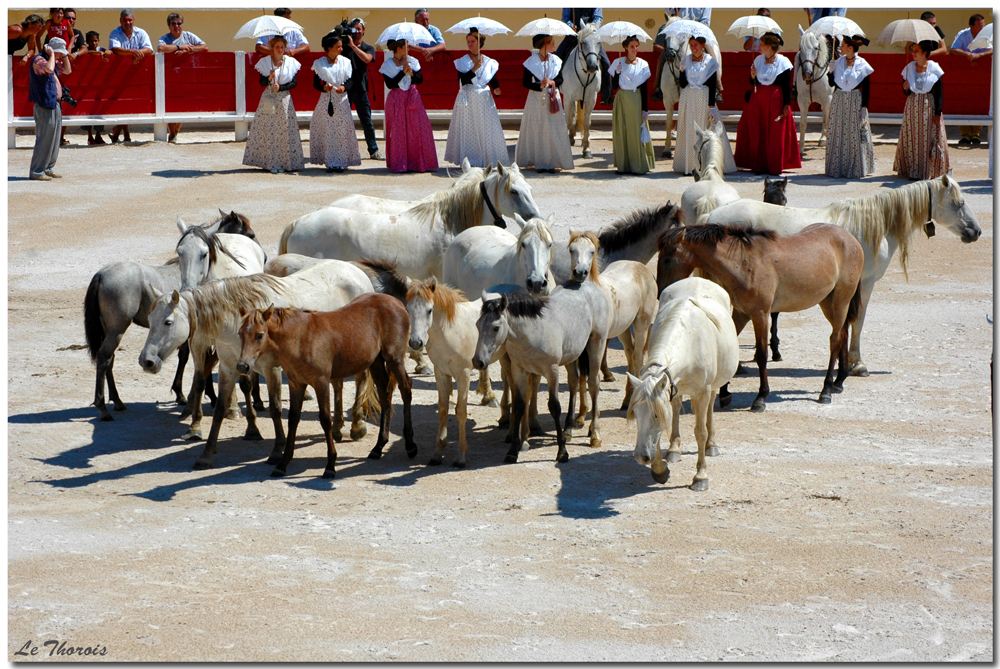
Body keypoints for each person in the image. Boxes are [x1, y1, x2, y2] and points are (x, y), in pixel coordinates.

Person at [734, 31, 801, 175]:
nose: (759, 46)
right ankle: (758, 165)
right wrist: (752, 76)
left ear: (770, 46)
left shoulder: (783, 62)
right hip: (758, 101)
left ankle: (774, 165)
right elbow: (753, 83)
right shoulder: (758, 60)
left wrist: (786, 105)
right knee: (757, 131)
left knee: (774, 134)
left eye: (762, 45)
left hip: (776, 101)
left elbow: (785, 86)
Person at [444, 28, 509, 168]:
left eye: (473, 41)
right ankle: (470, 159)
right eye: (468, 41)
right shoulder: (462, 61)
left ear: (480, 43)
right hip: (468, 100)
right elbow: (462, 81)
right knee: (469, 129)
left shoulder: (489, 62)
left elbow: (493, 80)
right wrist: (474, 68)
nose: (470, 44)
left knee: (485, 129)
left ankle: (487, 158)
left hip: (484, 100)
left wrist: (497, 89)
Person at [242, 34, 304, 174]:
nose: (280, 49)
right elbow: (262, 82)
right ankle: (270, 162)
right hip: (269, 97)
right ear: (272, 48)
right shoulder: (265, 62)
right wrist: (269, 78)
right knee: (269, 130)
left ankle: (285, 162)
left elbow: (294, 83)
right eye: (277, 47)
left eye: (282, 47)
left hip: (284, 99)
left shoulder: (291, 62)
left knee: (284, 130)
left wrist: (280, 88)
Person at [675, 35, 735, 174]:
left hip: (703, 98)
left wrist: (711, 106)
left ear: (702, 45)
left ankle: (710, 163)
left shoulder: (709, 61)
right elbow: (683, 85)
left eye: (696, 45)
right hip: (689, 98)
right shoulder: (686, 61)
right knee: (690, 129)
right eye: (691, 45)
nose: (693, 48)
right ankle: (689, 165)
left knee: (705, 130)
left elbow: (711, 84)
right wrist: (682, 71)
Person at [515, 33, 574, 173]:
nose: (555, 45)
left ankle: (552, 162)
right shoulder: (531, 62)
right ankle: (540, 162)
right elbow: (525, 83)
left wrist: (551, 82)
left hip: (553, 98)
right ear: (545, 44)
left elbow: (560, 80)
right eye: (552, 42)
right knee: (538, 129)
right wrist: (539, 86)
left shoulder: (556, 60)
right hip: (536, 100)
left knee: (553, 129)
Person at [893, 40, 949, 180]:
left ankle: (928, 170)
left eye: (916, 50)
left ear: (925, 53)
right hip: (912, 107)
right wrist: (905, 88)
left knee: (928, 138)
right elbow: (906, 93)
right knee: (912, 138)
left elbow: (939, 93)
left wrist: (937, 113)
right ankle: (913, 170)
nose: (913, 53)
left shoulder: (935, 68)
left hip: (928, 107)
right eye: (913, 50)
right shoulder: (909, 68)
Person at [380, 38, 438, 173]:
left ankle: (418, 163)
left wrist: (411, 73)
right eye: (406, 46)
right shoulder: (388, 64)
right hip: (396, 100)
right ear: (399, 48)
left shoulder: (413, 61)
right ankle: (401, 164)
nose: (409, 48)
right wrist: (402, 72)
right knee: (398, 132)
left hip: (412, 98)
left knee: (419, 129)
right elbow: (390, 84)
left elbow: (420, 80)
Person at [309, 30, 360, 172]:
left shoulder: (346, 62)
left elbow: (351, 80)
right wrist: (324, 87)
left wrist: (343, 87)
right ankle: (330, 161)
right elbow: (315, 84)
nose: (341, 48)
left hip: (342, 101)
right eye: (338, 46)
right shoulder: (319, 63)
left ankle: (342, 161)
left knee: (341, 131)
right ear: (329, 48)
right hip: (327, 101)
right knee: (329, 131)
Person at [824, 35, 874, 178]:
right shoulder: (838, 62)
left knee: (854, 133)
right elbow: (832, 84)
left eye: (843, 45)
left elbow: (867, 87)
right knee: (838, 131)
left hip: (854, 100)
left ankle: (856, 167)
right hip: (839, 99)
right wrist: (830, 73)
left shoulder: (862, 64)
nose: (841, 48)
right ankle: (838, 168)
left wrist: (865, 106)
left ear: (851, 48)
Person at [157, 13, 207, 143]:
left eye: (179, 23)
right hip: (169, 75)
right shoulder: (166, 38)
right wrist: (179, 47)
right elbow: (161, 48)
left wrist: (188, 50)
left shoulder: (189, 36)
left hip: (186, 76)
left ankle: (175, 131)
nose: (176, 26)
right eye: (173, 24)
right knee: (169, 105)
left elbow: (204, 47)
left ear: (182, 25)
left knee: (182, 105)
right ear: (169, 26)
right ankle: (172, 133)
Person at [609, 35, 655, 175]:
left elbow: (645, 88)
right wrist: (617, 73)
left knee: (635, 131)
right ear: (626, 48)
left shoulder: (643, 64)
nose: (635, 49)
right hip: (622, 98)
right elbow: (615, 87)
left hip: (636, 99)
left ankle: (638, 166)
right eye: (632, 46)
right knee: (622, 130)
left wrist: (645, 109)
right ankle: (623, 166)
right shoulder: (618, 62)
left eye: (636, 46)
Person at [29, 38, 71, 181]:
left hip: (54, 103)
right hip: (44, 103)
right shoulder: (39, 60)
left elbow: (68, 70)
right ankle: (37, 171)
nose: (60, 56)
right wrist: (52, 55)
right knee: (45, 138)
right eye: (60, 52)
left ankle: (48, 168)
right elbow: (48, 69)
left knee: (54, 138)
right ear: (51, 50)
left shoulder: (52, 60)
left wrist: (64, 56)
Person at [108, 9, 152, 143]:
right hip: (119, 74)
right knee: (123, 104)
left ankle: (118, 132)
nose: (128, 23)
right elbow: (115, 49)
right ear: (120, 21)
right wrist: (133, 52)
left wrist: (137, 53)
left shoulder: (141, 32)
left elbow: (148, 49)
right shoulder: (115, 33)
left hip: (138, 76)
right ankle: (124, 133)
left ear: (134, 20)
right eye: (125, 20)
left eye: (130, 20)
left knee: (128, 104)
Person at [555, 8, 612, 105]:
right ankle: (554, 90)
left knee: (606, 63)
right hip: (573, 35)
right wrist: (571, 26)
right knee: (556, 59)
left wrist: (590, 28)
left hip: (590, 35)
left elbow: (598, 17)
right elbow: (565, 18)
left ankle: (606, 95)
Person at [950, 14, 992, 146]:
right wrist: (968, 54)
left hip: (982, 75)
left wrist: (979, 55)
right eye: (979, 26)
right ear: (971, 27)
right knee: (964, 100)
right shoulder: (963, 34)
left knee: (979, 100)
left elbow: (994, 49)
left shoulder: (988, 34)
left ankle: (976, 135)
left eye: (983, 25)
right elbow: (952, 50)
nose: (982, 28)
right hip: (964, 75)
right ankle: (966, 135)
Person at [345, 18, 383, 160]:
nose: (357, 32)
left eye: (359, 29)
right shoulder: (343, 45)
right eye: (354, 29)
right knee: (343, 120)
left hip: (360, 88)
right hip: (345, 87)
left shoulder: (368, 47)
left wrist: (353, 47)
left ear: (364, 31)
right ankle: (344, 150)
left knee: (366, 120)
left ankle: (373, 150)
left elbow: (367, 59)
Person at [80, 30, 107, 145]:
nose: (94, 43)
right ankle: (89, 136)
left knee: (98, 108)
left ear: (98, 41)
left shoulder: (102, 50)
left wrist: (105, 53)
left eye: (95, 41)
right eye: (91, 41)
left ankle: (98, 135)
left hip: (99, 83)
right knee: (87, 109)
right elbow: (88, 53)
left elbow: (109, 52)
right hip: (86, 83)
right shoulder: (85, 50)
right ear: (87, 42)